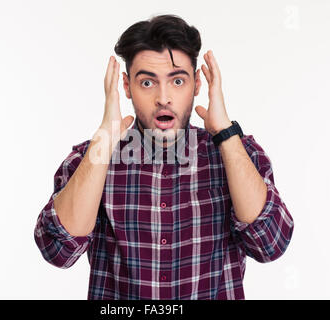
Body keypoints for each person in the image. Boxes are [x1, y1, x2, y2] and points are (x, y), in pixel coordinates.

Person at [34, 14, 294, 300]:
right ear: (126, 86)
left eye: (178, 81)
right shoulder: (92, 158)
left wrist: (225, 133)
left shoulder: (237, 154)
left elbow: (270, 244)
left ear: (197, 85)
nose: (163, 97)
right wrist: (104, 141)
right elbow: (58, 251)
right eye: (147, 83)